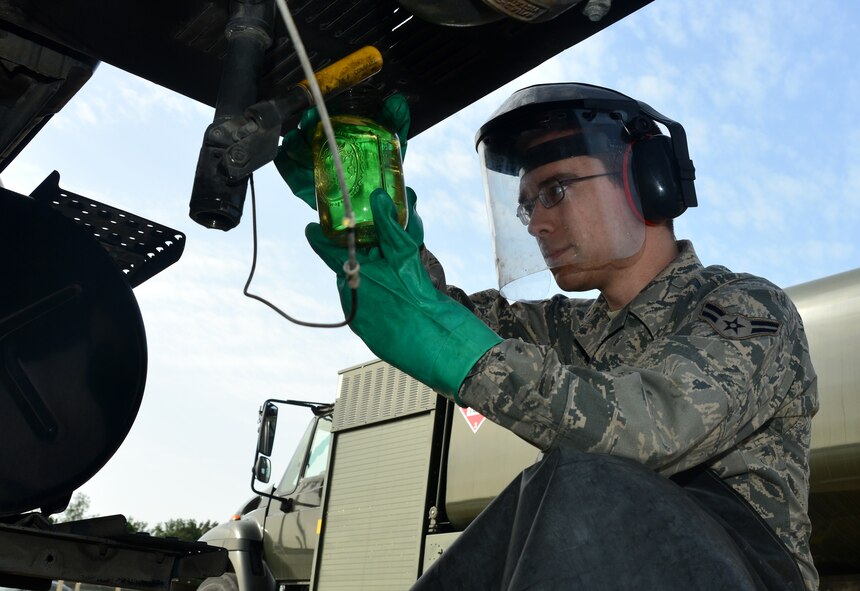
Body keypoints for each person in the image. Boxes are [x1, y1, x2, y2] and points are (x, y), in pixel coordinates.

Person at [276, 83, 818, 590]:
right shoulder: (571, 327)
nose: (535, 223)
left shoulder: (744, 307)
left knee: (578, 480)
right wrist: (369, 214)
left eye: (554, 192)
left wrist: (469, 357)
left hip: (745, 570)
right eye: (526, 205)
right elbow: (444, 313)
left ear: (646, 181)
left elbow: (647, 431)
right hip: (622, 557)